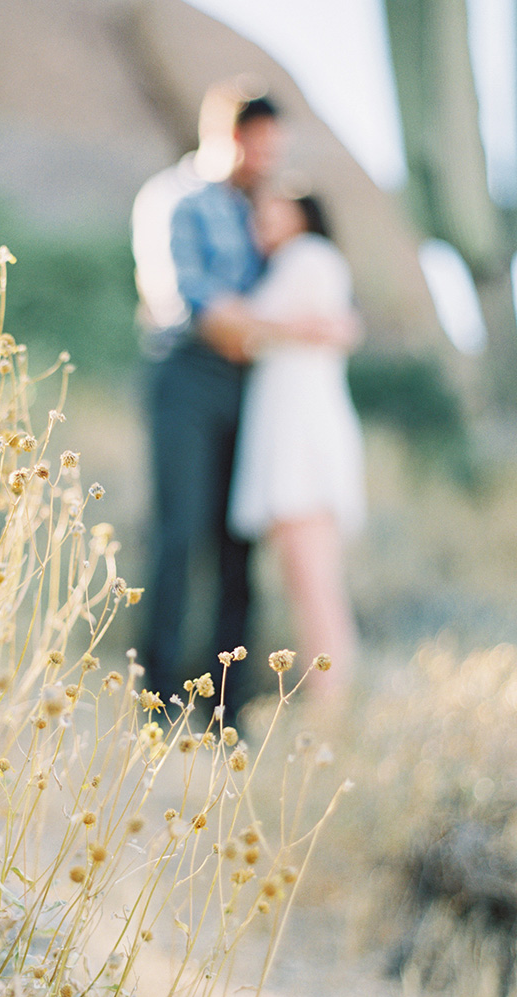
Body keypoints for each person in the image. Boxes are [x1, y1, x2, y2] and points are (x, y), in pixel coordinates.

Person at [134, 92, 285, 725]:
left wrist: (259, 329)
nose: (267, 159)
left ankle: (227, 708)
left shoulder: (254, 210)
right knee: (178, 534)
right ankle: (158, 702)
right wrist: (275, 327)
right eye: (259, 144)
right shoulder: (175, 196)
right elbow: (190, 300)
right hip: (187, 376)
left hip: (249, 383)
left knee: (237, 540)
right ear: (226, 135)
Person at [223, 193, 365, 701]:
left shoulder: (306, 257)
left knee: (314, 587)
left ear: (302, 216)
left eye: (272, 211)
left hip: (302, 441)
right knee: (311, 584)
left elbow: (243, 320)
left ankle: (330, 711)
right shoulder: (299, 264)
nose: (260, 221)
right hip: (296, 433)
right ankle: (330, 705)